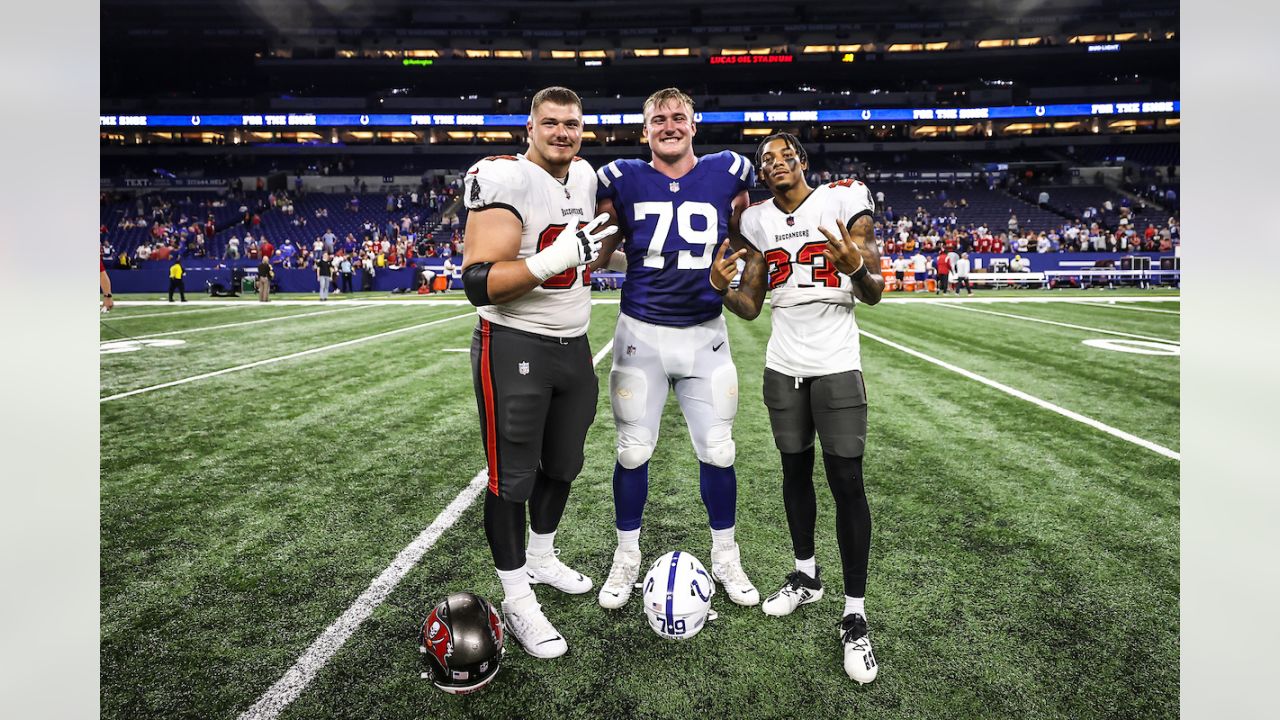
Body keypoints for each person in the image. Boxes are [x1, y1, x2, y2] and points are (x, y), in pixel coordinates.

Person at [710, 133, 881, 684]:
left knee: (847, 481)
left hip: (835, 361)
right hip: (784, 364)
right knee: (793, 472)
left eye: (786, 156)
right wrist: (720, 290)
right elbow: (751, 305)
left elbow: (874, 291)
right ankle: (806, 577)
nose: (776, 164)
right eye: (767, 160)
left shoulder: (842, 200)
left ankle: (854, 613)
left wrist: (855, 264)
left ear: (804, 163)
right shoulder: (758, 221)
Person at [460, 86, 617, 660]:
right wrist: (555, 258)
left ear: (582, 128)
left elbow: (587, 254)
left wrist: (605, 256)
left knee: (564, 465)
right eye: (550, 123)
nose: (562, 133)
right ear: (530, 127)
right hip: (513, 343)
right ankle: (516, 595)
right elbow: (476, 280)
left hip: (573, 344)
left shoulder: (584, 177)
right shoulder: (505, 178)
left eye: (571, 124)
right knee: (513, 478)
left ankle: (543, 556)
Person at [590, 87, 759, 610]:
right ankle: (625, 558)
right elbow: (598, 253)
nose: (669, 125)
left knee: (719, 449)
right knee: (633, 450)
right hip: (641, 334)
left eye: (678, 117)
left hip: (706, 333)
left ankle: (727, 558)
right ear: (645, 131)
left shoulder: (729, 172)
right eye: (658, 119)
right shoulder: (620, 178)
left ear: (694, 125)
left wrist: (738, 283)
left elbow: (748, 239)